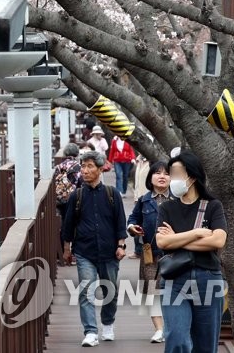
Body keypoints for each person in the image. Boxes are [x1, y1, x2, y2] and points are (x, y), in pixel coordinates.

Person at [156, 151, 228, 353]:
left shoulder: (213, 206)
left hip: (208, 280)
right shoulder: (167, 208)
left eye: (176, 174)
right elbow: (162, 241)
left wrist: (176, 239)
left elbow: (217, 240)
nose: (172, 179)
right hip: (175, 281)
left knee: (205, 346)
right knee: (177, 338)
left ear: (192, 177)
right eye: (171, 174)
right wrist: (196, 233)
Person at [62, 150, 126, 347]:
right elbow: (68, 225)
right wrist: (67, 249)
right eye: (83, 166)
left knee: (111, 291)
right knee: (86, 291)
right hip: (84, 251)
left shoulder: (112, 193)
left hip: (109, 251)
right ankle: (90, 331)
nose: (85, 170)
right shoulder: (77, 196)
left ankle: (108, 324)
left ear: (100, 169)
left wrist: (121, 245)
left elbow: (120, 222)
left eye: (90, 166)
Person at [127, 161, 172, 343]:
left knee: (171, 291)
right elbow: (132, 219)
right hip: (149, 254)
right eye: (157, 173)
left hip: (173, 254)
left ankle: (171, 326)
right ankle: (159, 329)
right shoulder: (144, 200)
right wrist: (132, 228)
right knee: (151, 292)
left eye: (166, 173)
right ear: (150, 177)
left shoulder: (178, 200)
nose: (162, 176)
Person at [53, 143, 82, 264]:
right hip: (75, 200)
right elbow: (81, 183)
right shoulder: (78, 166)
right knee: (77, 225)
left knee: (64, 225)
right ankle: (75, 254)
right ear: (77, 153)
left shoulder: (59, 166)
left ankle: (62, 254)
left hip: (61, 200)